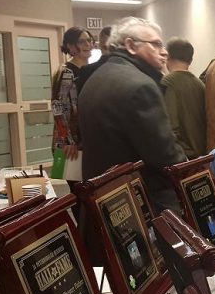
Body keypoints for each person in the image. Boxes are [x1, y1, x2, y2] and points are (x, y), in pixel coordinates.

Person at [79, 16, 186, 216]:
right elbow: (165, 155)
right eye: (156, 44)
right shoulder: (140, 85)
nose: (164, 51)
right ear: (130, 45)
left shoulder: (98, 77)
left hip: (105, 197)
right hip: (142, 202)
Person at [51, 26, 93, 161]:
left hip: (85, 138)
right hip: (69, 142)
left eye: (89, 40)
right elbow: (57, 107)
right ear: (70, 46)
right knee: (75, 179)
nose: (88, 44)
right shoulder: (66, 72)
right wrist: (67, 140)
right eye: (82, 42)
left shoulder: (89, 70)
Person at [162, 37, 206, 158]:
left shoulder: (167, 83)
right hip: (202, 153)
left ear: (167, 56)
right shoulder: (200, 84)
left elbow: (170, 127)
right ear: (191, 60)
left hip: (184, 157)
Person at [76, 25, 111, 94]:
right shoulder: (68, 71)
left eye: (89, 41)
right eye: (81, 41)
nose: (87, 44)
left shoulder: (87, 70)